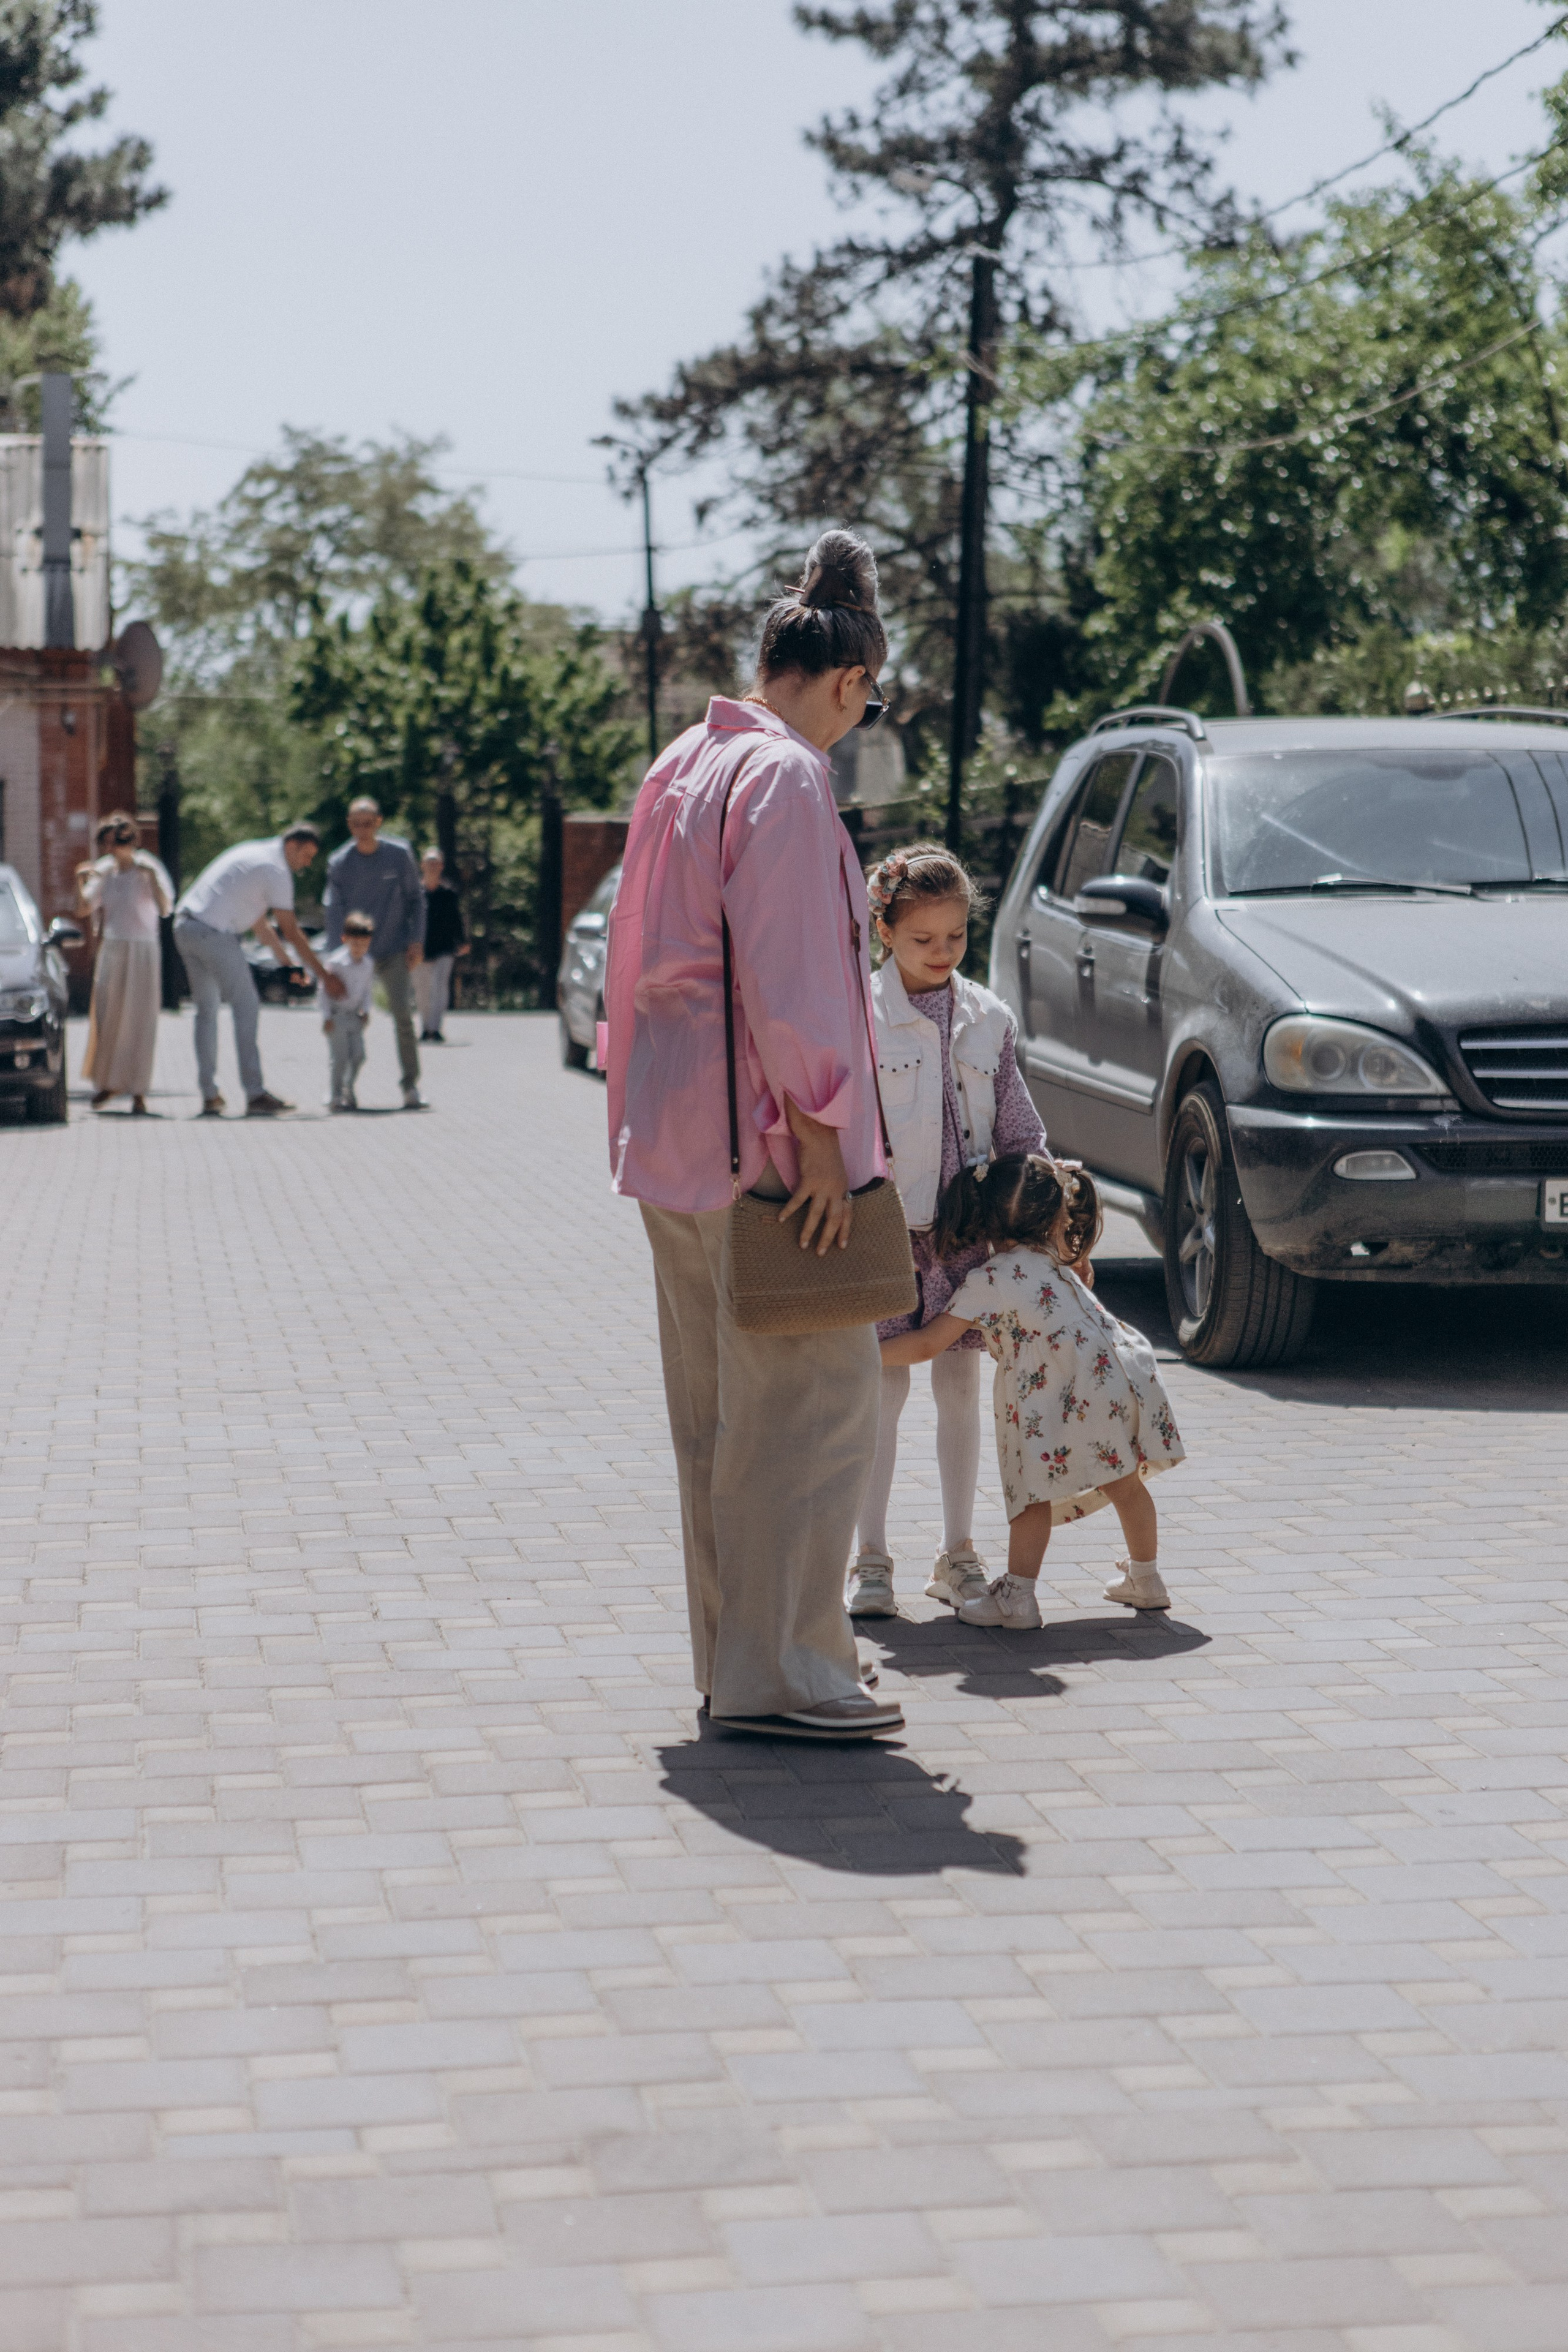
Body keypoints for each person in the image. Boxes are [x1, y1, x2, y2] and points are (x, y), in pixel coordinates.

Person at [604, 529, 904, 1741]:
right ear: (845, 680)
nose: (861, 720)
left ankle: (740, 1660)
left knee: (713, 1417)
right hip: (773, 1153)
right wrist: (827, 1136)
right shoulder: (784, 778)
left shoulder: (683, 760)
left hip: (677, 1140)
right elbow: (792, 977)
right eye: (867, 700)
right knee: (810, 1404)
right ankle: (787, 1670)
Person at [847, 843, 1046, 1621]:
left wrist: (1048, 1231)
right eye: (923, 939)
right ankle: (869, 1559)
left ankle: (958, 1554)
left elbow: (1020, 1130)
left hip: (967, 1242)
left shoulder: (987, 1018)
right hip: (884, 1231)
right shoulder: (858, 1015)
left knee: (961, 1389)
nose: (941, 953)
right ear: (884, 931)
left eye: (956, 937)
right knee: (880, 1391)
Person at [880, 1154, 1185, 1629]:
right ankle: (1147, 1579)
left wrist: (864, 1357)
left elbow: (927, 1344)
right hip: (1120, 1369)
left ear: (983, 1222)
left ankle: (1018, 1600)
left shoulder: (989, 1280)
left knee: (1030, 1494)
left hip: (1059, 1387)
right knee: (1125, 1482)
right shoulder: (1056, 1258)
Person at [173, 824, 344, 1116]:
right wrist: (325, 976)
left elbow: (261, 927)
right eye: (306, 855)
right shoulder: (276, 870)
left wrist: (289, 965)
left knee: (207, 1011)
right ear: (292, 846)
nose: (307, 863)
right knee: (247, 1004)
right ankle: (255, 1094)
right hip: (214, 933)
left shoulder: (254, 853)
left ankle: (210, 1095)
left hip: (185, 927)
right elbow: (291, 930)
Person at [323, 800, 426, 1107]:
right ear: (349, 825)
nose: (362, 830)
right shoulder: (340, 862)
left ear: (379, 822)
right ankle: (340, 1087)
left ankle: (410, 1085)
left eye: (368, 824)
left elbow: (417, 900)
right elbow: (333, 910)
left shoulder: (399, 855)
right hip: (353, 955)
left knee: (403, 1017)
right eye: (356, 824)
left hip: (393, 948)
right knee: (342, 1019)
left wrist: (417, 941)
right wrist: (333, 961)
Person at [76, 812, 173, 1115]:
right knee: (108, 1016)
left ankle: (138, 1091)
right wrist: (80, 880)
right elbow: (84, 908)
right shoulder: (106, 871)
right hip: (114, 947)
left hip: (143, 948)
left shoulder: (148, 867)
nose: (112, 851)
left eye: (116, 844)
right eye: (107, 845)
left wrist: (152, 876)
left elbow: (165, 907)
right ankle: (109, 1082)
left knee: (140, 1020)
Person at [322, 910, 375, 1110]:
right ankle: (335, 1095)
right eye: (355, 944)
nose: (359, 949)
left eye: (363, 944)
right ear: (345, 939)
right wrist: (327, 1017)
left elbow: (367, 990)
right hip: (337, 1016)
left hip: (355, 1015)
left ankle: (348, 1086)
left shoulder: (368, 964)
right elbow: (324, 992)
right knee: (340, 1058)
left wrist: (367, 1011)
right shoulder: (336, 962)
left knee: (359, 1055)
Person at [416, 848, 467, 1040]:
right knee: (422, 989)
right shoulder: (415, 894)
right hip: (420, 947)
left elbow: (457, 919)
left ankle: (435, 1028)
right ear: (422, 866)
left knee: (439, 987)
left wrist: (462, 941)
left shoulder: (449, 894)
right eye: (429, 863)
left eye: (436, 863)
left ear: (442, 866)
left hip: (444, 947)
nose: (432, 867)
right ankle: (425, 1026)